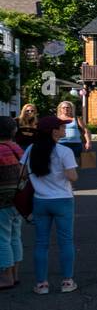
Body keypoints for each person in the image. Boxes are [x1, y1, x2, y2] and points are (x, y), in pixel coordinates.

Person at [23, 114, 78, 295]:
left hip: (40, 200)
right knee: (66, 242)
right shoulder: (64, 151)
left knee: (41, 243)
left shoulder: (31, 149)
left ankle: (41, 284)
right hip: (62, 199)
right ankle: (67, 281)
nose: (64, 129)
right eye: (62, 127)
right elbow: (72, 177)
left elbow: (21, 171)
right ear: (54, 131)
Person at [0, 117, 25, 289]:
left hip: (2, 201)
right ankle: (15, 274)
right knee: (15, 237)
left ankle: (5, 277)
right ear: (14, 131)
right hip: (18, 200)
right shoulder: (17, 148)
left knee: (2, 239)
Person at [56, 100, 90, 166]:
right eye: (64, 107)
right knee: (61, 164)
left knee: (74, 165)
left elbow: (86, 130)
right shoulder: (56, 119)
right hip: (61, 144)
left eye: (68, 107)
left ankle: (72, 175)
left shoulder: (76, 119)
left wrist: (88, 142)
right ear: (60, 109)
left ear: (71, 109)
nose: (66, 109)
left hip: (76, 144)